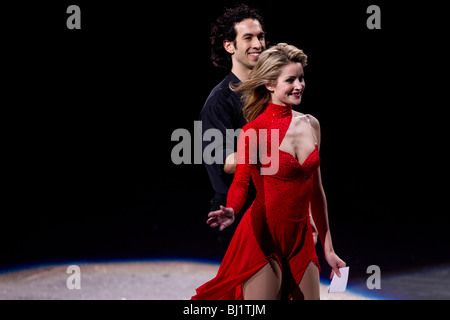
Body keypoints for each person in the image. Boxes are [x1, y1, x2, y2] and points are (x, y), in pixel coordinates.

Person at [192, 43, 346, 300]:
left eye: (301, 78)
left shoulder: (312, 124)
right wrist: (231, 210)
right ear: (270, 84)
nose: (299, 85)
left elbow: (316, 191)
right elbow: (241, 183)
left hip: (301, 239)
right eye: (290, 80)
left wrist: (329, 250)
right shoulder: (254, 131)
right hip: (263, 235)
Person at [199, 4, 266, 255]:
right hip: (235, 209)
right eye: (247, 38)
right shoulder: (218, 101)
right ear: (230, 46)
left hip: (273, 203)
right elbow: (225, 162)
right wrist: (277, 148)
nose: (257, 44)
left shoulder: (272, 90)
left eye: (260, 36)